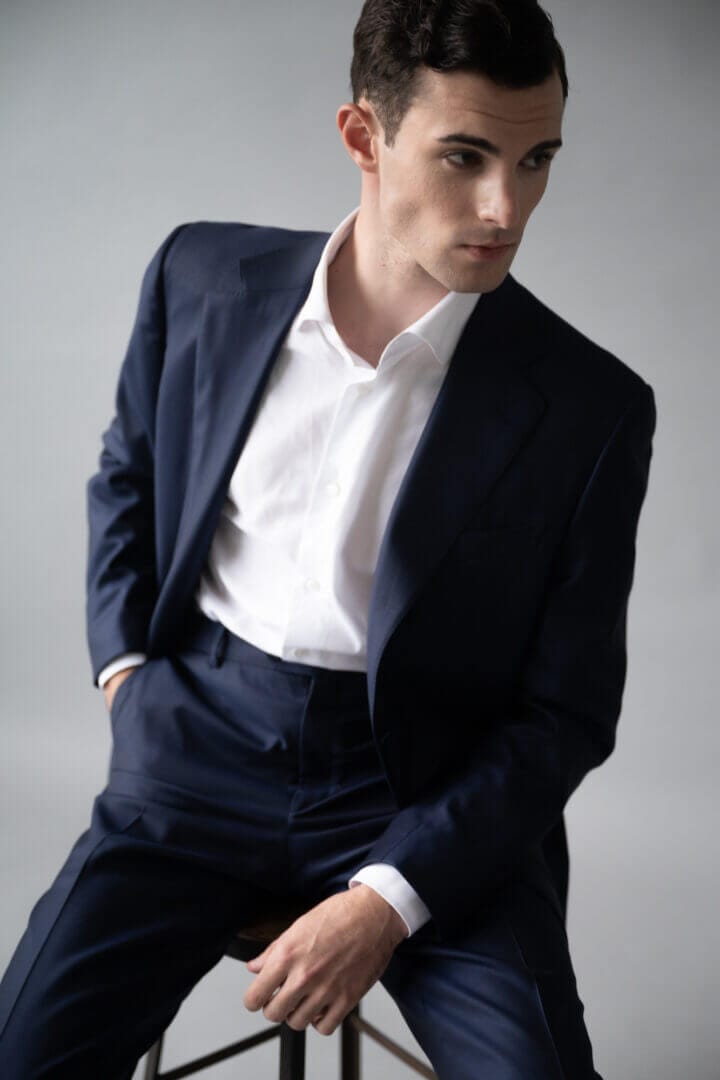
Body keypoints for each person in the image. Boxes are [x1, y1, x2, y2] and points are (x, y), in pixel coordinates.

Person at [0, 1, 657, 1076]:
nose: (507, 206)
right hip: (197, 750)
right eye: (465, 156)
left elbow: (566, 713)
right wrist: (125, 676)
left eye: (536, 160)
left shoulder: (591, 406)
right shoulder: (201, 277)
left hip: (431, 785)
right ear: (363, 135)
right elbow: (129, 474)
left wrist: (388, 900)